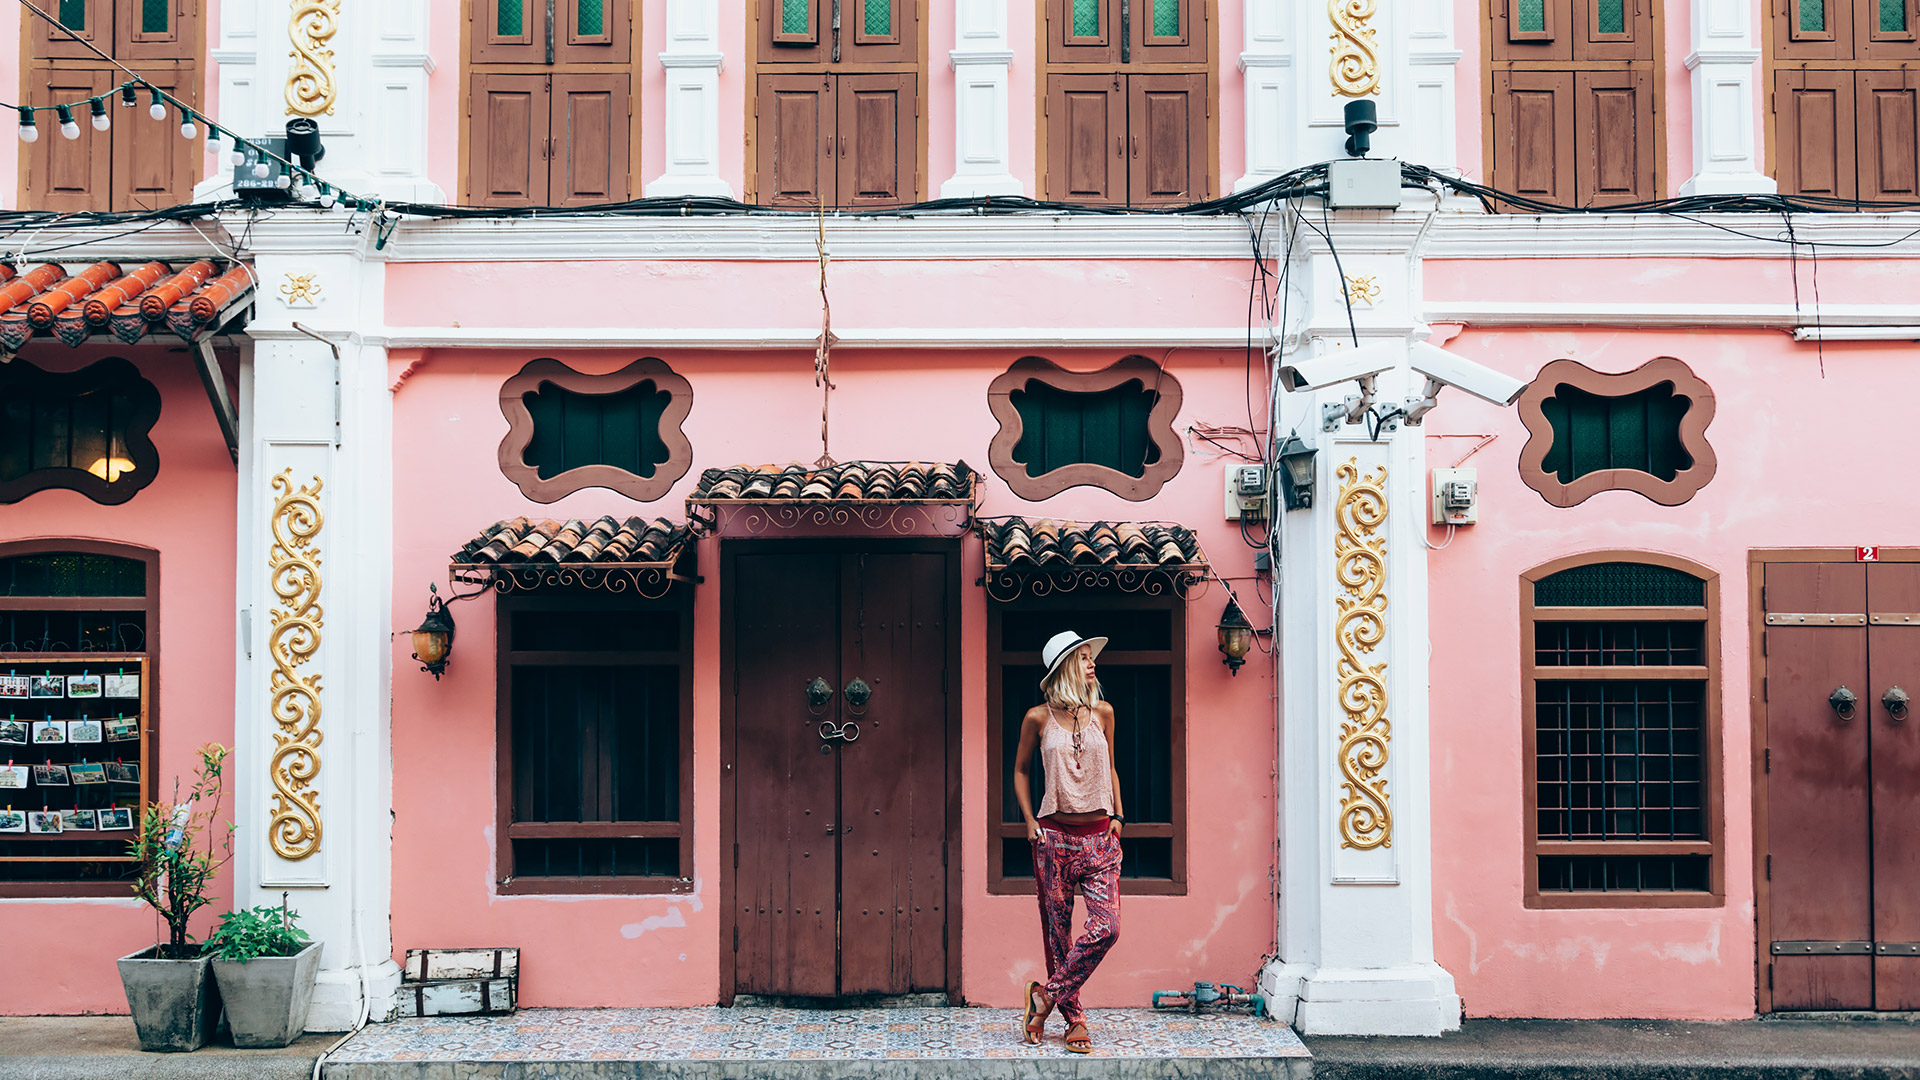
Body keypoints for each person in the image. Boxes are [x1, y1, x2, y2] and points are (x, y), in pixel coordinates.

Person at [1013, 630, 1126, 1054]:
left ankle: (1044, 996)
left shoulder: (1104, 713)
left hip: (1100, 839)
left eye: (1089, 655)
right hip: (1053, 838)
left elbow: (1111, 767)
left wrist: (1118, 815)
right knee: (1056, 936)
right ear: (1063, 669)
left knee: (1107, 928)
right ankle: (1074, 1018)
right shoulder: (1036, 718)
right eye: (1081, 657)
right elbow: (1021, 770)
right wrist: (1028, 820)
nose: (1091, 662)